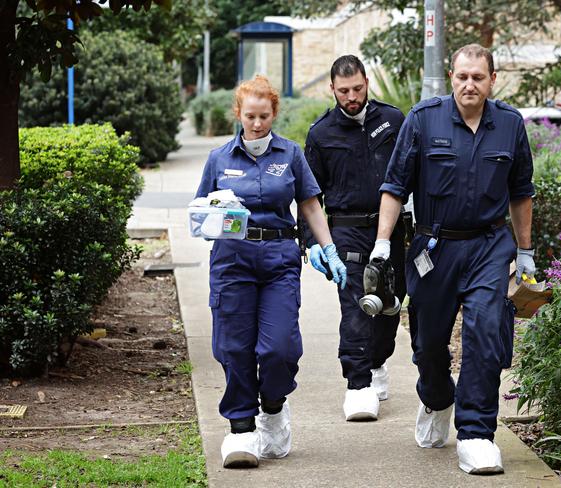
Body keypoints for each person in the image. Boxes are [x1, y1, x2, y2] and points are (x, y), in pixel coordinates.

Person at [370, 44, 535, 474]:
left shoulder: (510, 125)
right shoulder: (423, 120)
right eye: (462, 76)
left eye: (478, 77)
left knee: (484, 333)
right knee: (428, 344)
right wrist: (383, 244)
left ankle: (477, 434)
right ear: (451, 76)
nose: (469, 84)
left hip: (488, 245)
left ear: (492, 80)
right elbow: (394, 186)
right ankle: (437, 399)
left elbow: (521, 192)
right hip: (434, 248)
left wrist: (525, 251)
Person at [195, 75, 347, 469]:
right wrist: (216, 216)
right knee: (233, 345)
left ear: (274, 113)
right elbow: (201, 212)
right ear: (239, 115)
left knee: (279, 347)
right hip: (232, 260)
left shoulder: (291, 154)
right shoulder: (219, 159)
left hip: (279, 258)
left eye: (264, 117)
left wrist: (328, 249)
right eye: (250, 117)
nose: (257, 124)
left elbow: (310, 205)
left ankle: (274, 406)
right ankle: (241, 429)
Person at [302, 55, 407, 421]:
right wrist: (312, 242)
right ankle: (358, 385)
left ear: (367, 83)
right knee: (356, 306)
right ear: (332, 89)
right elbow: (308, 195)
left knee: (392, 304)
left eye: (358, 89)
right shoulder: (320, 133)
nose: (352, 97)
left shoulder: (393, 121)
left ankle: (377, 363)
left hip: (393, 228)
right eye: (344, 91)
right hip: (346, 230)